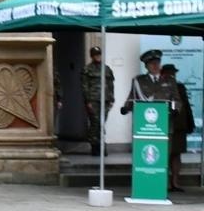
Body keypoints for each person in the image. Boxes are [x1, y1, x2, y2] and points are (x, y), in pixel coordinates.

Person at [121, 49, 182, 190]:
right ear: (146, 66)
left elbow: (177, 100)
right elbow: (132, 98)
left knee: (163, 157)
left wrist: (174, 109)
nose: (155, 66)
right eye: (151, 64)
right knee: (144, 157)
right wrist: (126, 108)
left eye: (157, 63)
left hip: (164, 126)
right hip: (144, 128)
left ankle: (162, 187)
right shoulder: (139, 81)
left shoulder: (169, 80)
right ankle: (145, 185)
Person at [161, 63, 194, 191]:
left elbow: (186, 106)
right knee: (166, 155)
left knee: (176, 155)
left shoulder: (180, 87)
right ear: (163, 74)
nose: (172, 76)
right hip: (164, 125)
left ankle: (175, 182)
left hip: (179, 127)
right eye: (169, 73)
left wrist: (190, 124)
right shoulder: (159, 86)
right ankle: (166, 182)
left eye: (173, 73)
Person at [82, 45, 115, 154]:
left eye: (99, 54)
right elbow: (84, 86)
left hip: (105, 100)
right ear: (92, 56)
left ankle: (100, 144)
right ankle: (95, 146)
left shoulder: (106, 69)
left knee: (102, 123)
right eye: (95, 55)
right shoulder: (87, 69)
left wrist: (111, 100)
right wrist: (87, 101)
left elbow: (111, 85)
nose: (98, 57)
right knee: (95, 123)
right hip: (93, 100)